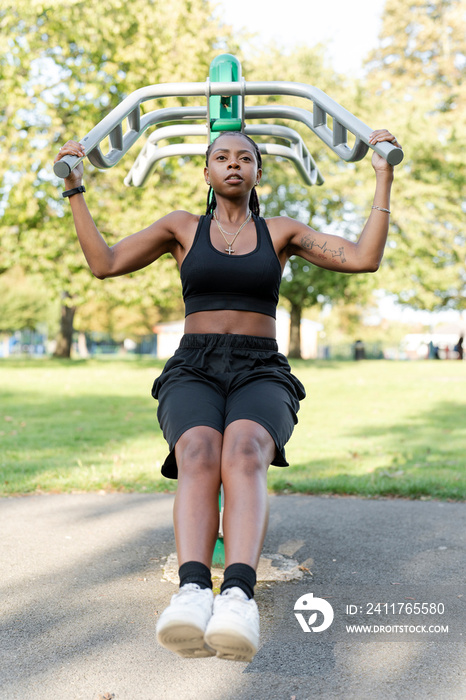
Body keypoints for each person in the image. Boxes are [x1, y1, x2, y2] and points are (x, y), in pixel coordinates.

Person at [54, 126, 401, 662]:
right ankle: (192, 590)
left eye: (245, 158)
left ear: (258, 171)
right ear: (208, 172)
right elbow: (105, 263)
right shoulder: (182, 228)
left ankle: (238, 595)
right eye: (222, 157)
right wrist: (75, 189)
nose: (234, 164)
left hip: (260, 369)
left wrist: (383, 177)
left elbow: (362, 258)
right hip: (193, 366)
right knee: (195, 451)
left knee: (243, 451)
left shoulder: (281, 232)